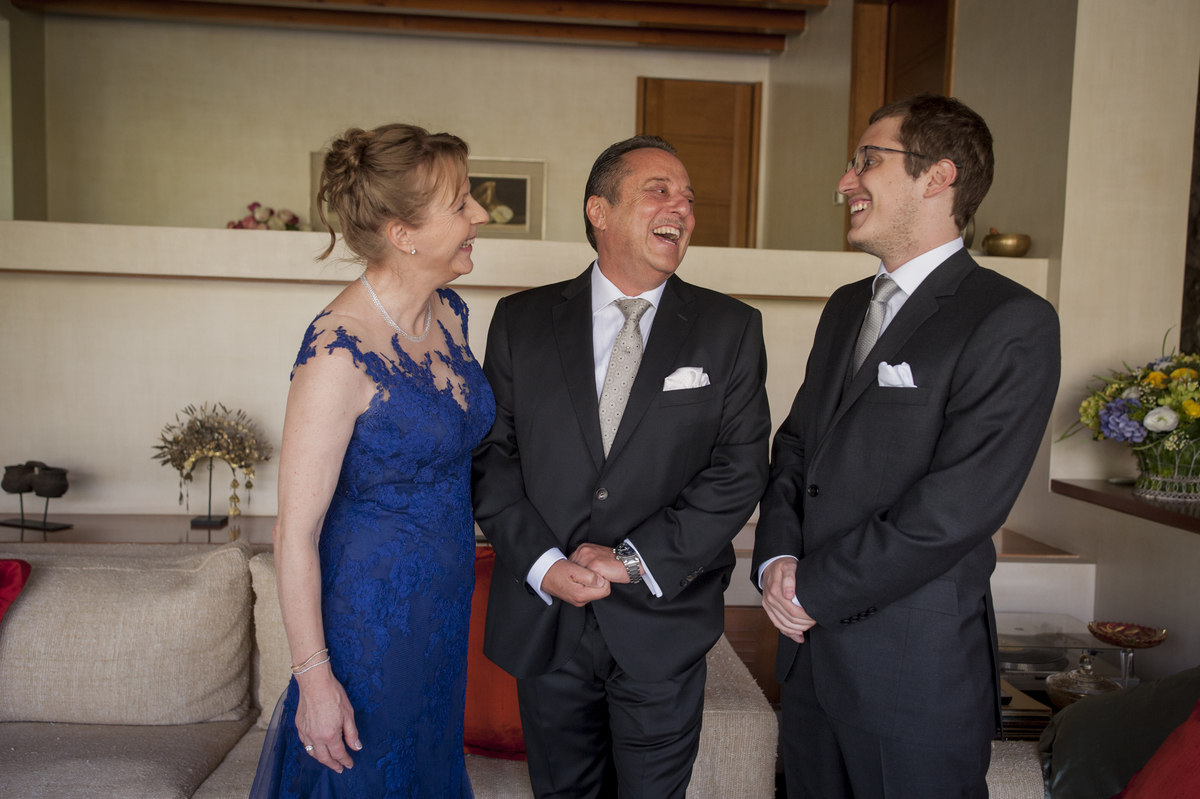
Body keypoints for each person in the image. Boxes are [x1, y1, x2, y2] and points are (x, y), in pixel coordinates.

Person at [752, 95, 1060, 799]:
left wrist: (814, 590)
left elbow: (955, 509)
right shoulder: (844, 308)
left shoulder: (1012, 320)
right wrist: (776, 560)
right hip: (808, 662)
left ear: (937, 176)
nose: (845, 181)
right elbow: (797, 447)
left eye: (867, 160)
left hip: (913, 679)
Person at [471, 135, 770, 799]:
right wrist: (544, 563)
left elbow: (740, 469)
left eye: (688, 197)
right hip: (547, 619)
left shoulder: (731, 328)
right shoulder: (520, 320)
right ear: (599, 211)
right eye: (660, 190)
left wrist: (634, 559)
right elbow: (492, 457)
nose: (681, 207)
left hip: (662, 623)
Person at [250, 123, 494, 798]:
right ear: (402, 233)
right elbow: (292, 534)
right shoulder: (338, 351)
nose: (480, 215)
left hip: (441, 615)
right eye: (461, 204)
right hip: (368, 624)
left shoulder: (451, 314)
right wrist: (314, 680)